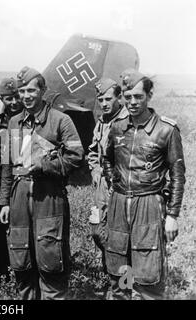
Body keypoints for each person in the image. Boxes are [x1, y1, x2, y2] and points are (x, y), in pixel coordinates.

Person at [0, 66, 84, 300]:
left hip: (49, 196)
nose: (25, 96)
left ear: (43, 90)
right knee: (22, 262)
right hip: (19, 196)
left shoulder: (60, 121)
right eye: (22, 91)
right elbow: (7, 165)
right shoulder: (14, 122)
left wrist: (44, 166)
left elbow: (76, 157)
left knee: (51, 262)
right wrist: (4, 201)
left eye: (31, 90)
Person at [102, 69, 185, 300]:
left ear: (149, 95)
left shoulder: (166, 130)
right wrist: (113, 181)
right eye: (128, 97)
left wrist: (172, 215)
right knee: (120, 270)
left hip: (148, 204)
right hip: (119, 203)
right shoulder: (118, 127)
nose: (133, 102)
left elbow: (178, 175)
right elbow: (107, 158)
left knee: (148, 276)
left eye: (138, 96)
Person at [87, 78, 128, 274]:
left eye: (108, 99)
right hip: (102, 185)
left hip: (122, 186)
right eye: (100, 99)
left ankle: (123, 284)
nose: (104, 104)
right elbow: (93, 150)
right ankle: (111, 274)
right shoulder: (102, 121)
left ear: (119, 97)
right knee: (98, 231)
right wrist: (95, 169)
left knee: (122, 238)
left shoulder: (128, 121)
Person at [0, 78, 23, 285]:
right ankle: (2, 266)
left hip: (21, 174)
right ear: (2, 99)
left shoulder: (28, 119)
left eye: (17, 96)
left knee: (20, 221)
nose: (14, 102)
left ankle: (20, 267)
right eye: (9, 98)